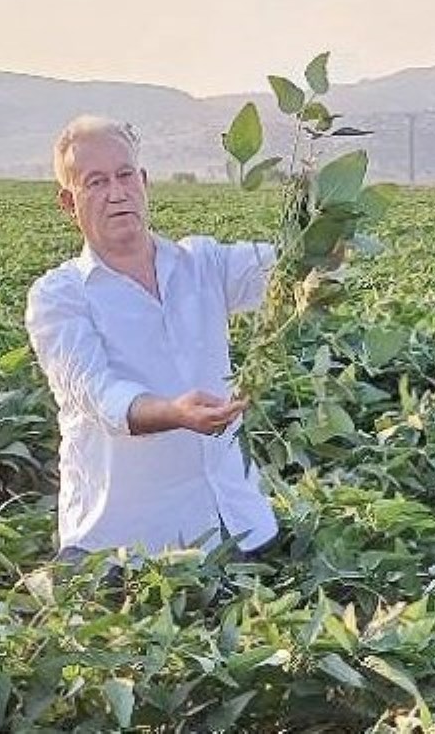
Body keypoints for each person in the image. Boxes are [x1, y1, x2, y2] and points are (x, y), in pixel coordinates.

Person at [24, 115, 278, 562]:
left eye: (124, 175)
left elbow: (299, 266)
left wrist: (321, 214)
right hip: (123, 549)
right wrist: (174, 413)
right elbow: (97, 393)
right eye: (96, 182)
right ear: (68, 202)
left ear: (143, 182)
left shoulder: (202, 263)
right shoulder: (59, 297)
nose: (116, 193)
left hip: (240, 529)